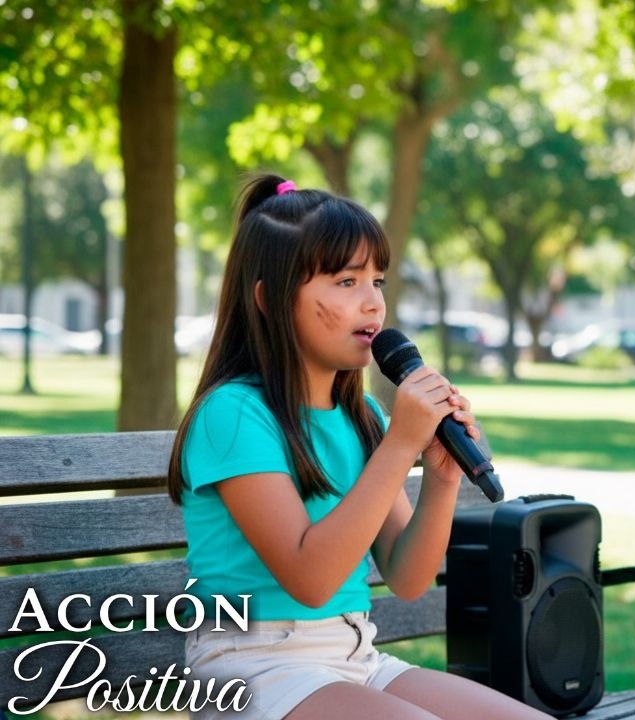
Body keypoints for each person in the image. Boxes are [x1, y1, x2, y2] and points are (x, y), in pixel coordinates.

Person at [166, 175, 552, 720]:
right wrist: (398, 448)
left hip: (355, 657)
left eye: (378, 281)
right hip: (252, 666)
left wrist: (440, 476)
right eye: (346, 282)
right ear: (269, 300)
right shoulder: (232, 415)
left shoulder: (360, 415)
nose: (373, 303)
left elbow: (408, 576)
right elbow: (311, 579)